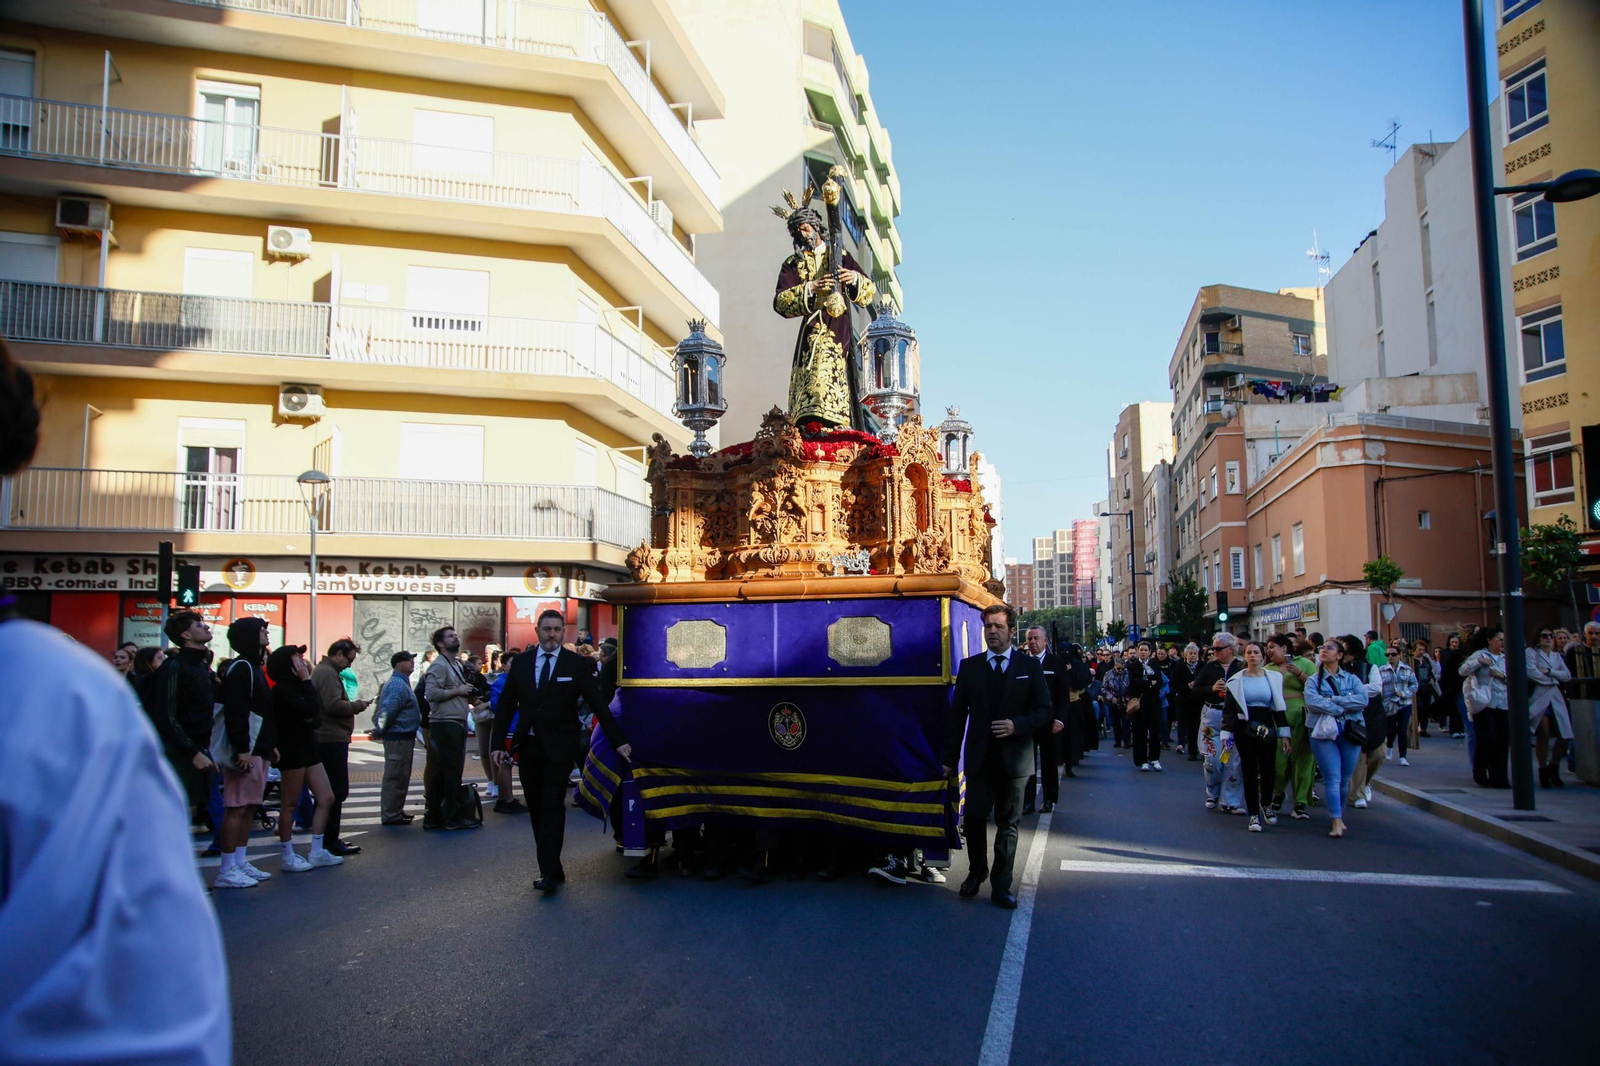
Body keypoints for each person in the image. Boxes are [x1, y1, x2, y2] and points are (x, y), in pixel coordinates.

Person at [0, 339, 231, 1063]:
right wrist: (191, 747)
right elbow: (153, 1019)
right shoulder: (56, 698)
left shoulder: (55, 697)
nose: (207, 629)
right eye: (199, 624)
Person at [493, 610, 631, 895]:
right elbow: (506, 704)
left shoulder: (576, 664)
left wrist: (618, 740)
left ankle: (549, 870)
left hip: (560, 748)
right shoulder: (522, 663)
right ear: (537, 631)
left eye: (557, 629)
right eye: (547, 629)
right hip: (528, 746)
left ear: (563, 632)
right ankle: (550, 866)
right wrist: (496, 745)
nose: (552, 635)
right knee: (536, 807)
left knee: (553, 805)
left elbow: (598, 703)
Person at [941, 604, 1051, 910]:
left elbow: (1044, 710)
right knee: (975, 817)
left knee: (1008, 824)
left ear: (1011, 631)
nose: (992, 631)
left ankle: (1002, 885)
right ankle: (977, 871)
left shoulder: (1029, 667)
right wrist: (949, 758)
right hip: (980, 758)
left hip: (1015, 760)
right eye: (988, 626)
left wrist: (1018, 725)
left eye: (998, 626)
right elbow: (957, 717)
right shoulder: (970, 667)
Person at [772, 183, 878, 429]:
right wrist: (810, 288)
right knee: (812, 368)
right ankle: (808, 418)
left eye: (805, 228)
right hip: (811, 328)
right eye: (798, 231)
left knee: (834, 367)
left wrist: (854, 279)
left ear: (816, 226)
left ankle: (836, 418)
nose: (803, 234)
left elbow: (868, 291)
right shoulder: (793, 263)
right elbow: (780, 301)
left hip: (837, 326)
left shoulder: (840, 254)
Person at [210, 617, 279, 889]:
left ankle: (239, 861)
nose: (266, 633)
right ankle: (227, 867)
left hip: (257, 747)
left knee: (249, 806)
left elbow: (262, 710)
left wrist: (269, 745)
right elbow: (237, 710)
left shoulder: (253, 666)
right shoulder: (242, 667)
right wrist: (242, 748)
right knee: (237, 806)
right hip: (248, 748)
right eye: (262, 630)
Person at [265, 645, 341, 870]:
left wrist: (306, 687)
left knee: (326, 797)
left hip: (308, 747)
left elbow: (314, 715)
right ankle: (287, 854)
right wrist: (306, 682)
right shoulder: (282, 690)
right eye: (297, 657)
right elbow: (309, 710)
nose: (301, 660)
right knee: (289, 803)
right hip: (291, 749)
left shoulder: (300, 686)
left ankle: (316, 850)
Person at [143, 609, 219, 827]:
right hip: (179, 751)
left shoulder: (201, 664)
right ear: (186, 635)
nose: (206, 627)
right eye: (198, 625)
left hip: (199, 747)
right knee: (178, 812)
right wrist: (193, 751)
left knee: (194, 809)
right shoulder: (174, 667)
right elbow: (166, 715)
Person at [1221, 640, 1290, 832]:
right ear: (1244, 656)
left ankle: (1266, 803)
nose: (1252, 655)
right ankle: (1254, 814)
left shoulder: (1274, 678)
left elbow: (1279, 707)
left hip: (1266, 724)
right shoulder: (1235, 680)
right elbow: (1229, 710)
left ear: (1262, 656)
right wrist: (1226, 734)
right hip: (1244, 726)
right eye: (1249, 652)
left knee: (1269, 768)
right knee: (1249, 769)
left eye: (1256, 652)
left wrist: (1284, 734)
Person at [1303, 638, 1369, 838]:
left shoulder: (1352, 679)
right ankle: (1335, 820)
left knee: (1344, 778)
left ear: (1339, 655)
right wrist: (1340, 708)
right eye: (1322, 648)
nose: (1324, 651)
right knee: (1332, 777)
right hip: (1322, 732)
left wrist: (1333, 700)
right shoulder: (1313, 680)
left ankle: (1339, 814)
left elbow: (1362, 700)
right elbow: (1312, 702)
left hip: (1349, 731)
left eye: (1329, 648)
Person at [311, 638, 370, 855]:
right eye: (349, 659)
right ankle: (329, 840)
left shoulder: (325, 671)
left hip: (329, 736)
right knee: (335, 791)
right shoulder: (327, 673)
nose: (349, 665)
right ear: (338, 654)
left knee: (331, 792)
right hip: (330, 737)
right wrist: (357, 706)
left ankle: (328, 839)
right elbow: (333, 705)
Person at [423, 627, 485, 832]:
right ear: (440, 643)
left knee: (444, 772)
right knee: (451, 772)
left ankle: (434, 815)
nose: (455, 638)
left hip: (454, 721)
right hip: (445, 723)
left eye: (455, 635)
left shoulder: (455, 664)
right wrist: (458, 690)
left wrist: (468, 696)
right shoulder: (439, 665)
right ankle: (451, 817)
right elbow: (431, 694)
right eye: (450, 636)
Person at [1190, 633, 1245, 813]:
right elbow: (1195, 691)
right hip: (1212, 716)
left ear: (1230, 649)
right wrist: (1212, 689)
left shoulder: (1241, 667)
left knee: (1232, 760)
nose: (1214, 652)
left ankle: (1231, 800)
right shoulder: (1209, 667)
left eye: (1218, 649)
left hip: (1233, 718)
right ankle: (1212, 792)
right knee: (1212, 759)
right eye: (1213, 648)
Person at [1266, 634, 1316, 819]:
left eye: (1272, 647)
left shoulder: (1304, 664)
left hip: (1302, 717)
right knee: (1278, 762)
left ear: (1285, 648)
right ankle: (1278, 793)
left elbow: (1318, 686)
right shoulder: (1267, 668)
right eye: (1267, 648)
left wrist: (1300, 674)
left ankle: (1300, 802)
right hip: (1276, 719)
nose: (1269, 651)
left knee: (1302, 761)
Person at [373, 650, 422, 824]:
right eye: (408, 660)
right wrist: (381, 729)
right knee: (395, 776)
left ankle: (396, 809)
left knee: (401, 775)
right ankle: (391, 814)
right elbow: (388, 711)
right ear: (398, 664)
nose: (412, 662)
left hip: (403, 736)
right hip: (397, 737)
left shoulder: (401, 682)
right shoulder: (397, 685)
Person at [1021, 626, 1067, 812]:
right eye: (1030, 639)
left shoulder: (1056, 663)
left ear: (1045, 641)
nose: (1033, 642)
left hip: (1050, 721)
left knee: (1049, 762)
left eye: (1036, 638)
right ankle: (1028, 801)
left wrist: (1060, 720)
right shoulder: (1021, 662)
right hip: (1028, 721)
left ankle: (1049, 799)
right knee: (1027, 763)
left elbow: (1063, 696)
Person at [1459, 627, 1510, 788]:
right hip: (1484, 703)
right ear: (1489, 640)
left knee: (1502, 741)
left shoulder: (1506, 657)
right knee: (1487, 739)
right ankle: (1480, 772)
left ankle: (1499, 777)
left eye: (1504, 640)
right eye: (1499, 640)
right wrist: (1478, 662)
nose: (1502, 643)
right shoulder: (1480, 654)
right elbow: (1463, 671)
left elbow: (1516, 677)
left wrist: (1502, 676)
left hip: (1503, 703)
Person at [1343, 634, 1388, 809]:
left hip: (1373, 715)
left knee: (1379, 753)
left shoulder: (1370, 667)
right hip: (1352, 716)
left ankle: (1365, 783)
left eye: (1344, 650)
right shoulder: (1339, 670)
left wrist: (1353, 692)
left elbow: (1376, 687)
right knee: (1359, 755)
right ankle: (1357, 794)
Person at [1527, 627, 1573, 788]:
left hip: (1555, 697)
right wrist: (1554, 679)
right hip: (1539, 697)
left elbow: (1567, 675)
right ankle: (1542, 769)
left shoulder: (1556, 656)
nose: (1548, 638)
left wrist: (1549, 671)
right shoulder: (1531, 653)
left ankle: (1554, 766)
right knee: (1543, 734)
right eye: (1544, 635)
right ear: (1538, 637)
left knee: (1565, 734)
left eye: (1550, 636)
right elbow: (1532, 673)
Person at [1376, 642, 1419, 767]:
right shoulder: (1381, 670)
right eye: (1388, 655)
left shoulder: (1407, 669)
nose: (1390, 657)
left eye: (1393, 654)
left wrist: (1404, 694)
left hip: (1404, 703)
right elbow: (1378, 687)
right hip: (1389, 704)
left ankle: (1402, 756)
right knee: (1390, 729)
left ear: (1399, 655)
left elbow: (1414, 684)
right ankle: (1389, 747)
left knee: (1402, 729)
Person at [1127, 641, 1164, 772]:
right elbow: (1132, 684)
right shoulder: (1132, 667)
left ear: (1149, 652)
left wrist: (1146, 683)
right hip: (1139, 703)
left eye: (1145, 650)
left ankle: (1154, 758)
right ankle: (1141, 760)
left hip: (1154, 702)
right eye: (1141, 650)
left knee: (1155, 732)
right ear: (1137, 651)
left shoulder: (1155, 665)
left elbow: (1159, 683)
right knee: (1139, 733)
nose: (1143, 652)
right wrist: (1148, 683)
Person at [1167, 643, 1197, 758]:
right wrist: (1185, 687)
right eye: (1190, 653)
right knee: (1182, 721)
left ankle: (1195, 747)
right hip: (1183, 699)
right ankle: (1181, 743)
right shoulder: (1180, 667)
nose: (1192, 656)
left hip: (1197, 699)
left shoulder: (1202, 666)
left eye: (1195, 653)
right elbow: (1173, 683)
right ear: (1185, 655)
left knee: (1195, 723)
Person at [1439, 632, 1468, 738]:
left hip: (1461, 682)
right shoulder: (1445, 652)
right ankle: (1454, 729)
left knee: (1462, 705)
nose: (1454, 644)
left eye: (1456, 642)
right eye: (1452, 642)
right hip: (1449, 683)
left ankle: (1461, 728)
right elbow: (1445, 666)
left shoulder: (1462, 652)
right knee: (1453, 707)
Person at [1412, 640, 1439, 737]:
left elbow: (1430, 670)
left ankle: (1423, 729)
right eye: (1419, 649)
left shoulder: (1426, 659)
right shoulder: (1411, 660)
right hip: (1417, 687)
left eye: (1423, 649)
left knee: (1426, 708)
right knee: (1419, 707)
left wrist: (1432, 679)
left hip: (1427, 686)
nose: (1421, 651)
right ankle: (1415, 726)